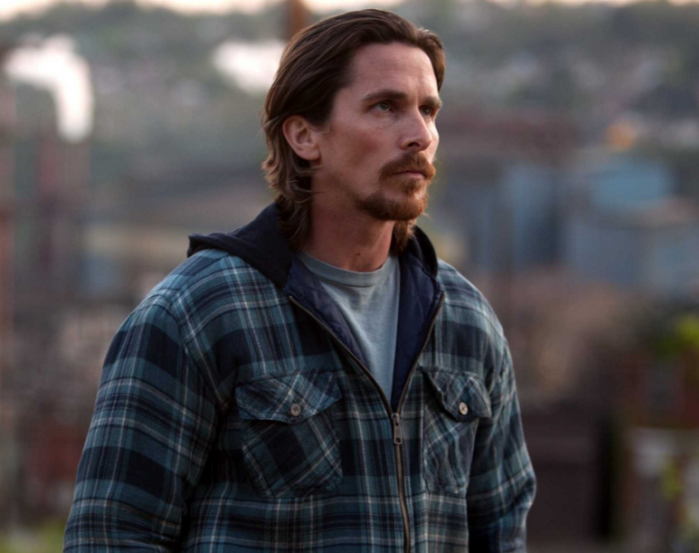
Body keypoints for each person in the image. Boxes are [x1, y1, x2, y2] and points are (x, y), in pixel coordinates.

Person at [64, 9, 535, 552]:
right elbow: (111, 536)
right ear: (305, 136)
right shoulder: (197, 314)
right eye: (385, 107)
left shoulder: (466, 322)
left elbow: (501, 531)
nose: (419, 135)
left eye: (428, 111)